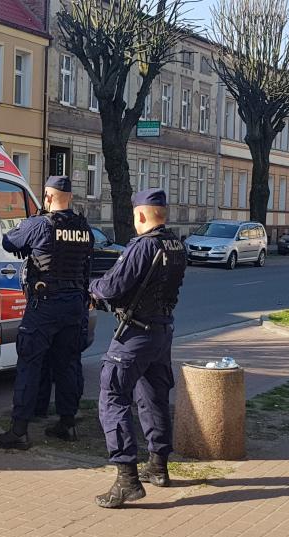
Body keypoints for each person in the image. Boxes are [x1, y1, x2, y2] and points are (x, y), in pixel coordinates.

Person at [88, 188, 187, 508]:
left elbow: (112, 286)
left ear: (141, 214)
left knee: (113, 396)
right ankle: (158, 466)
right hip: (161, 331)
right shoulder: (176, 244)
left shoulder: (143, 246)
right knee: (153, 397)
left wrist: (92, 288)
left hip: (134, 334)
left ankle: (127, 479)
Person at [0, 175, 93, 450]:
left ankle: (19, 430)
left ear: (48, 197)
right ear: (70, 197)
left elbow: (9, 243)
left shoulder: (40, 224)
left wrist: (29, 229)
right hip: (74, 305)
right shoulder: (84, 228)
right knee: (68, 364)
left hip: (45, 305)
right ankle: (67, 423)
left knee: (30, 363)